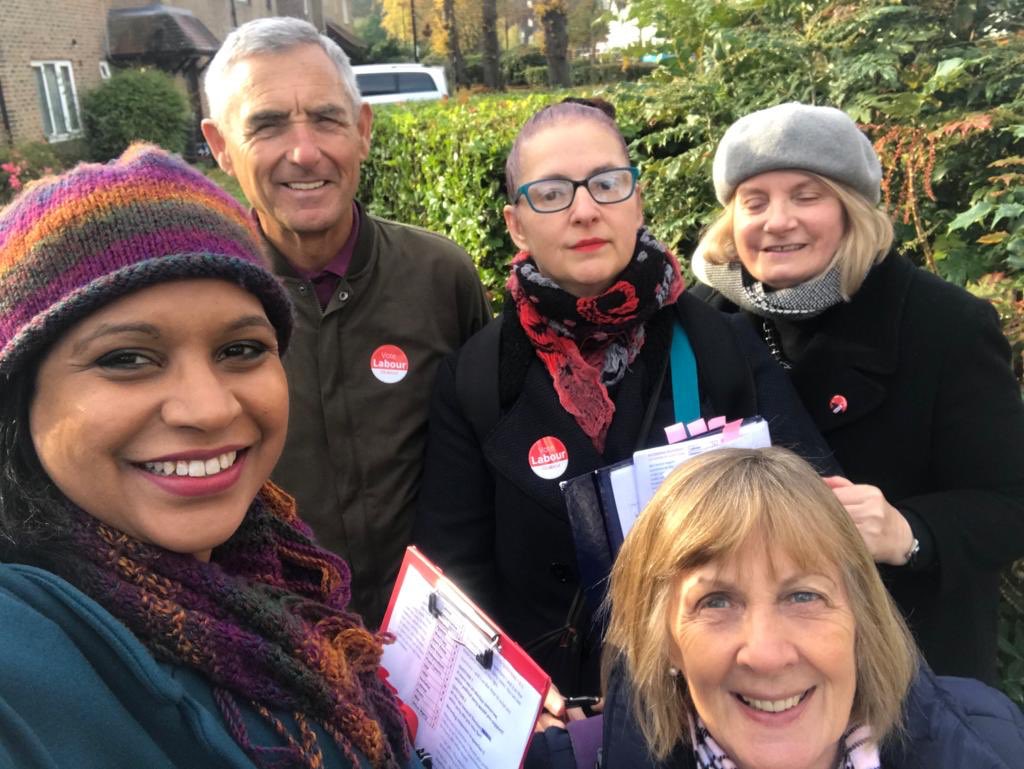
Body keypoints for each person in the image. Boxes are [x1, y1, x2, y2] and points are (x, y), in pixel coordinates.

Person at [0, 145, 417, 769]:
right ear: (19, 397)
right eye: (127, 358)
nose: (210, 409)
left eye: (241, 349)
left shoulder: (273, 564)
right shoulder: (23, 649)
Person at [414, 100, 835, 700]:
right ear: (516, 224)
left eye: (606, 184)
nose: (585, 211)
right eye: (552, 193)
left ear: (635, 201)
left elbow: (814, 518)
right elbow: (453, 574)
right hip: (562, 712)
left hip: (715, 694)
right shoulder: (479, 376)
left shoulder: (720, 344)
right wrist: (515, 697)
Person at [690, 102, 1024, 683]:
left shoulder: (944, 325)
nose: (778, 221)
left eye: (806, 195)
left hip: (906, 667)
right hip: (753, 667)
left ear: (851, 210)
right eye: (755, 201)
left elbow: (1010, 503)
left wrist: (909, 531)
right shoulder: (705, 323)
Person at [200, 17, 492, 627]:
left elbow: (487, 456)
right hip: (274, 651)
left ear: (362, 130)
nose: (304, 152)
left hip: (438, 644)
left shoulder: (441, 277)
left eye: (327, 119)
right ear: (220, 146)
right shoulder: (201, 303)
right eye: (267, 125)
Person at [601, 447, 1024, 769]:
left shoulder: (995, 740)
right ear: (666, 639)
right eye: (716, 601)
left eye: (803, 596)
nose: (767, 655)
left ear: (861, 616)